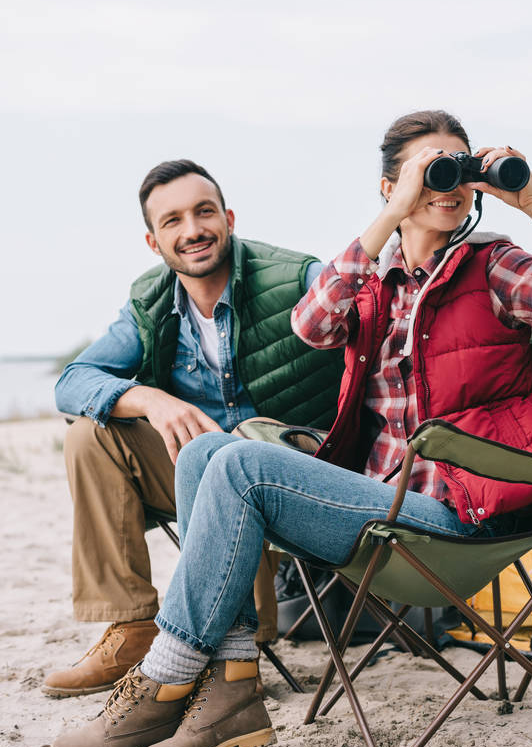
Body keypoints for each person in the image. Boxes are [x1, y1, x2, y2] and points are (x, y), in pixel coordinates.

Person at [52, 110, 532, 747]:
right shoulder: (375, 283)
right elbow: (310, 324)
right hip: (377, 505)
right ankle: (230, 687)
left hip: (455, 517)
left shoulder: (491, 264)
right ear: (390, 188)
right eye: (429, 171)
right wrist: (386, 225)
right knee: (208, 448)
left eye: (459, 168)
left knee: (240, 464)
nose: (448, 184)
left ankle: (165, 675)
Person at [45, 159, 342, 697]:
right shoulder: (150, 300)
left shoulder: (297, 276)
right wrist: (149, 398)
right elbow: (72, 381)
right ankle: (133, 625)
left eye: (204, 212)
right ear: (152, 239)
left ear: (228, 217)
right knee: (89, 435)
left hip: (294, 481)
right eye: (172, 220)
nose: (192, 230)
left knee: (236, 462)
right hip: (197, 477)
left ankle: (239, 631)